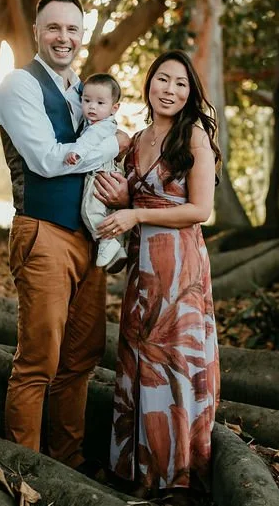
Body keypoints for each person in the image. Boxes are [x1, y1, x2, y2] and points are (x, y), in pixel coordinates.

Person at [0, 0, 127, 471]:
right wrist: (113, 138)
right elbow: (47, 161)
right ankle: (22, 473)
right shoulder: (18, 86)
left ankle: (65, 466)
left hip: (91, 240)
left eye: (72, 29)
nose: (63, 38)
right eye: (54, 28)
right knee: (38, 362)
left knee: (80, 360)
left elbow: (106, 163)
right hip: (43, 234)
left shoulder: (85, 92)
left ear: (82, 35)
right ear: (36, 32)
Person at [94, 50, 222, 497]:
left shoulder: (194, 138)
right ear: (149, 84)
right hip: (141, 268)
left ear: (190, 94)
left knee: (172, 363)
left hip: (179, 267)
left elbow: (200, 210)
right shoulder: (137, 139)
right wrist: (119, 202)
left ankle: (173, 474)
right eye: (163, 79)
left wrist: (134, 216)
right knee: (139, 357)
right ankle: (133, 467)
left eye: (181, 83)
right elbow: (132, 200)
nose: (170, 89)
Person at [64, 72, 130, 273]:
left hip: (101, 174)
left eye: (100, 103)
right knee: (101, 210)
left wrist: (76, 152)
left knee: (89, 210)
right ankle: (115, 250)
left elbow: (88, 141)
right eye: (87, 101)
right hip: (103, 171)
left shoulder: (102, 126)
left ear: (114, 108)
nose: (92, 106)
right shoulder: (94, 122)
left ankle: (107, 241)